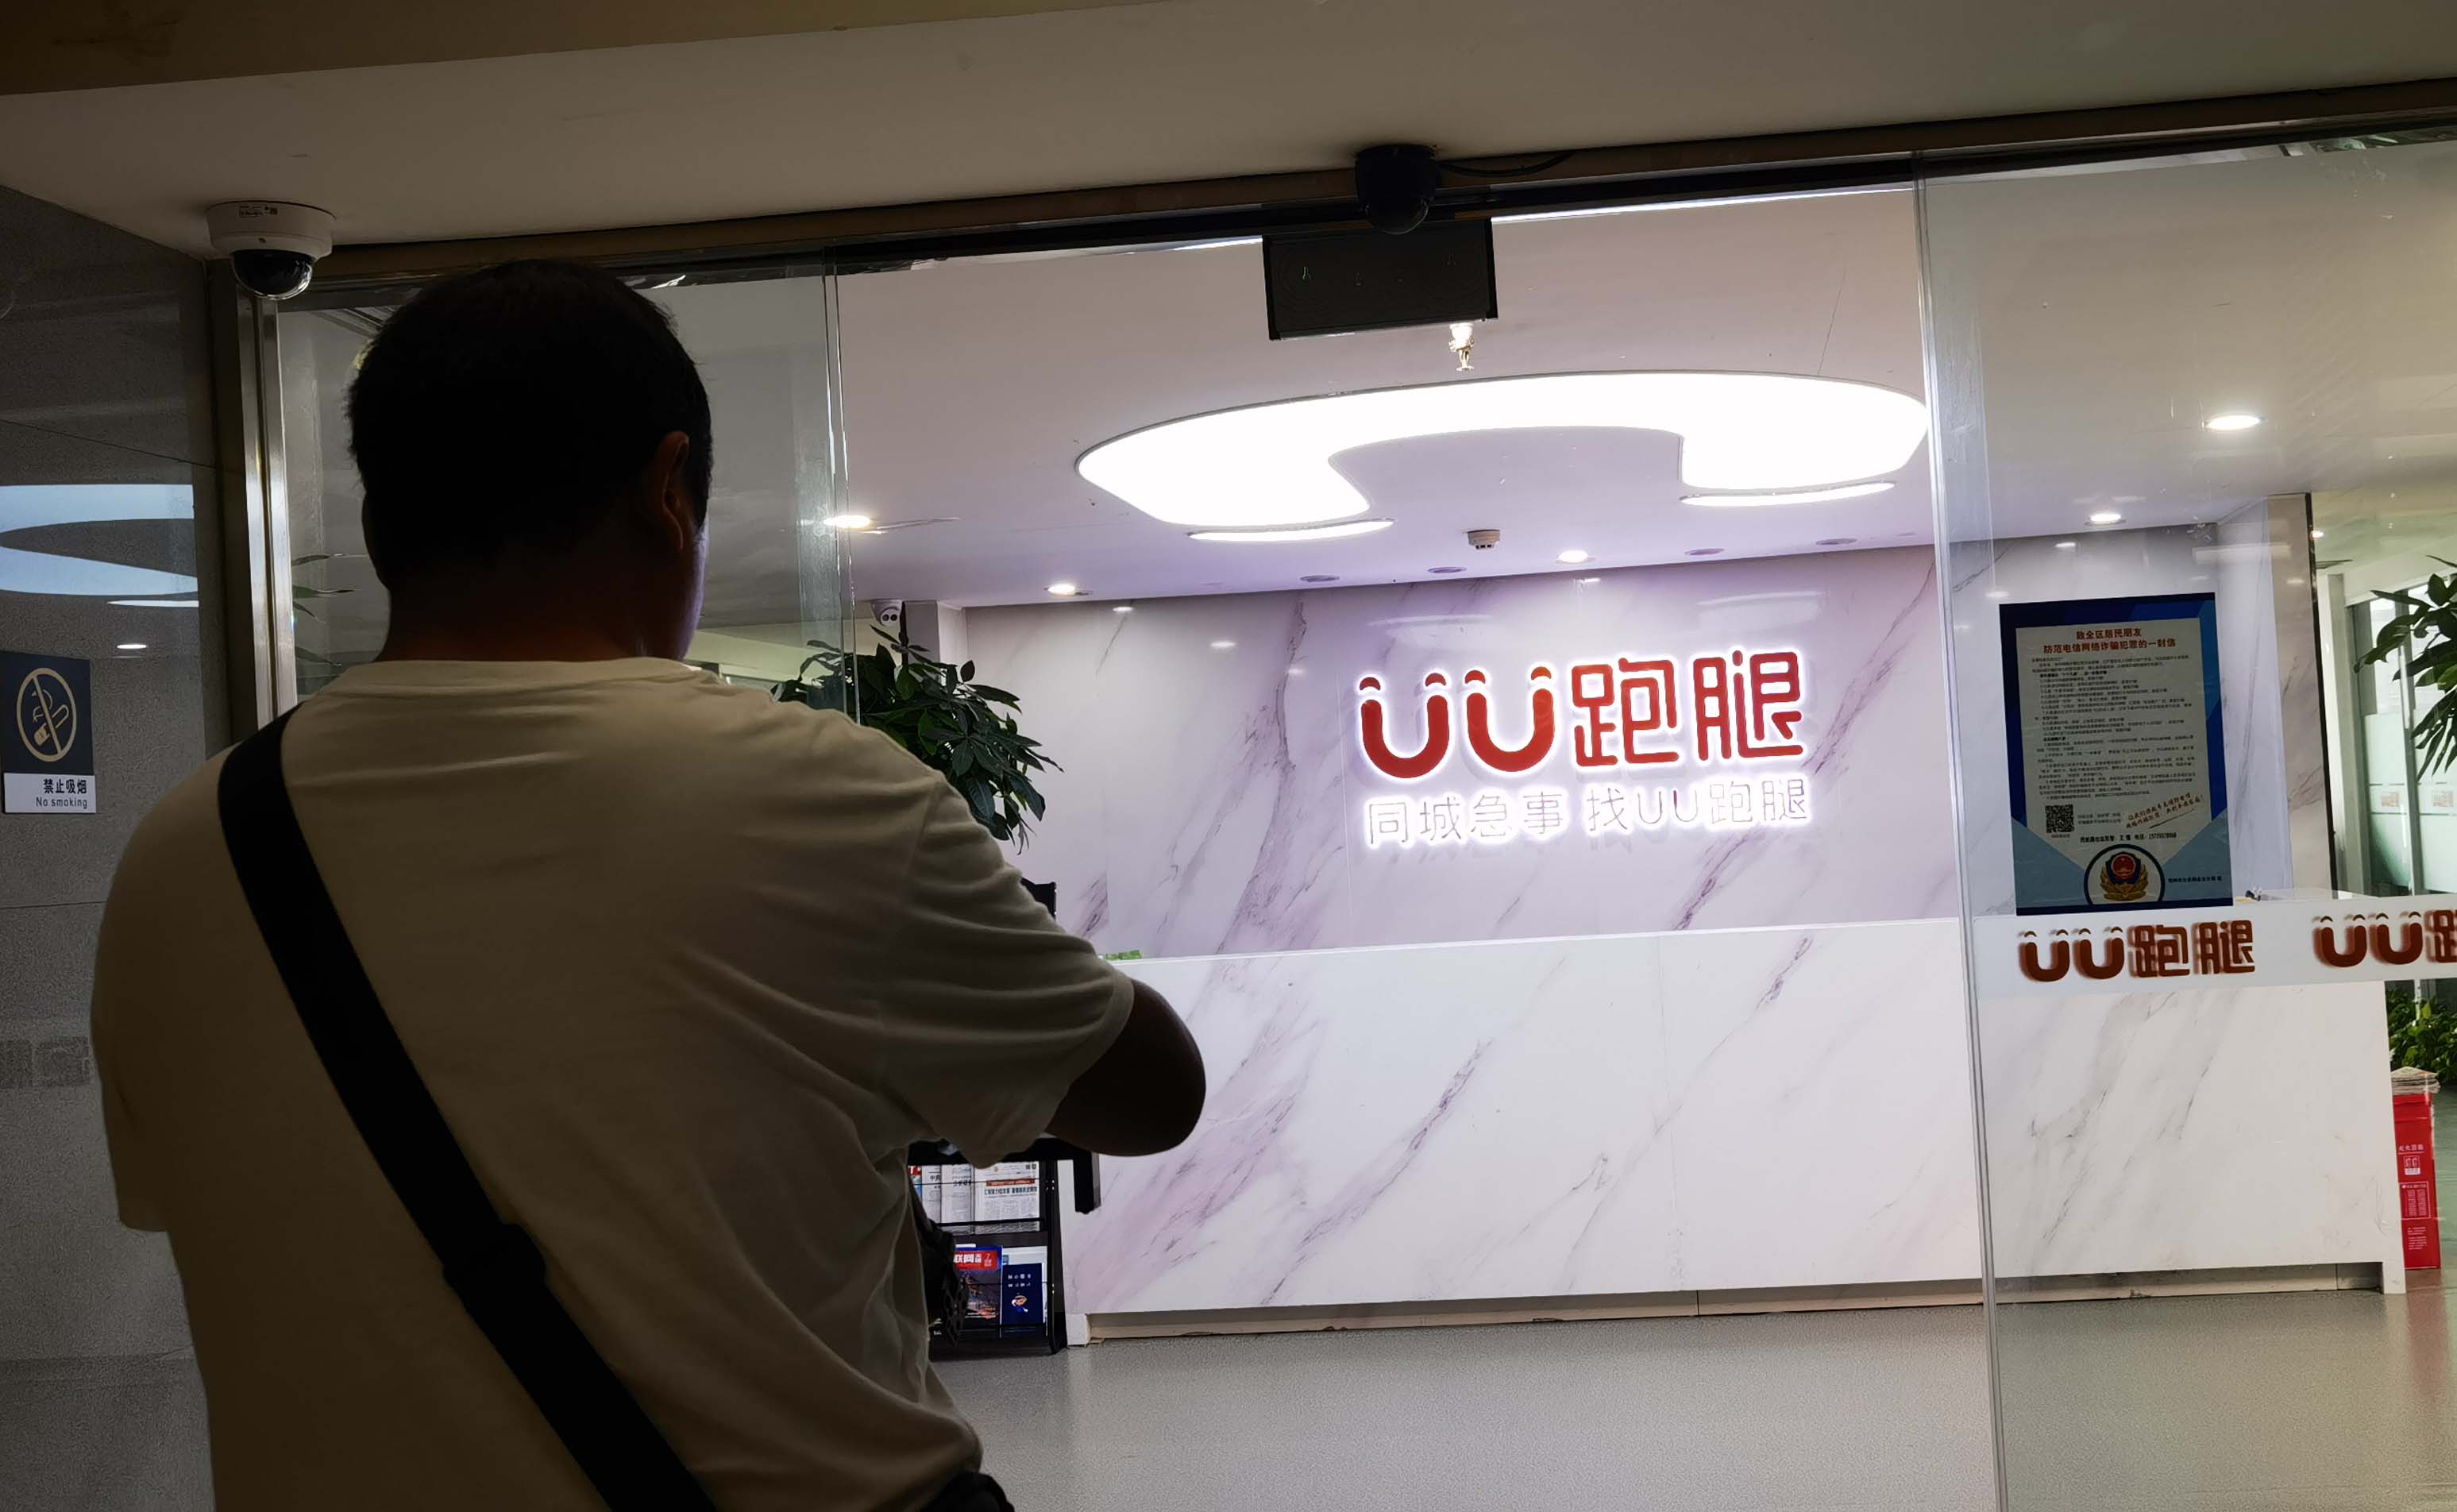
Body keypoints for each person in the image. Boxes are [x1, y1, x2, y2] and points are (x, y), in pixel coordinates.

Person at [89, 260, 1205, 1511]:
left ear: (381, 505)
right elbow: (1149, 1095)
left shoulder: (185, 846)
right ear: (669, 490)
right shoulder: (814, 795)